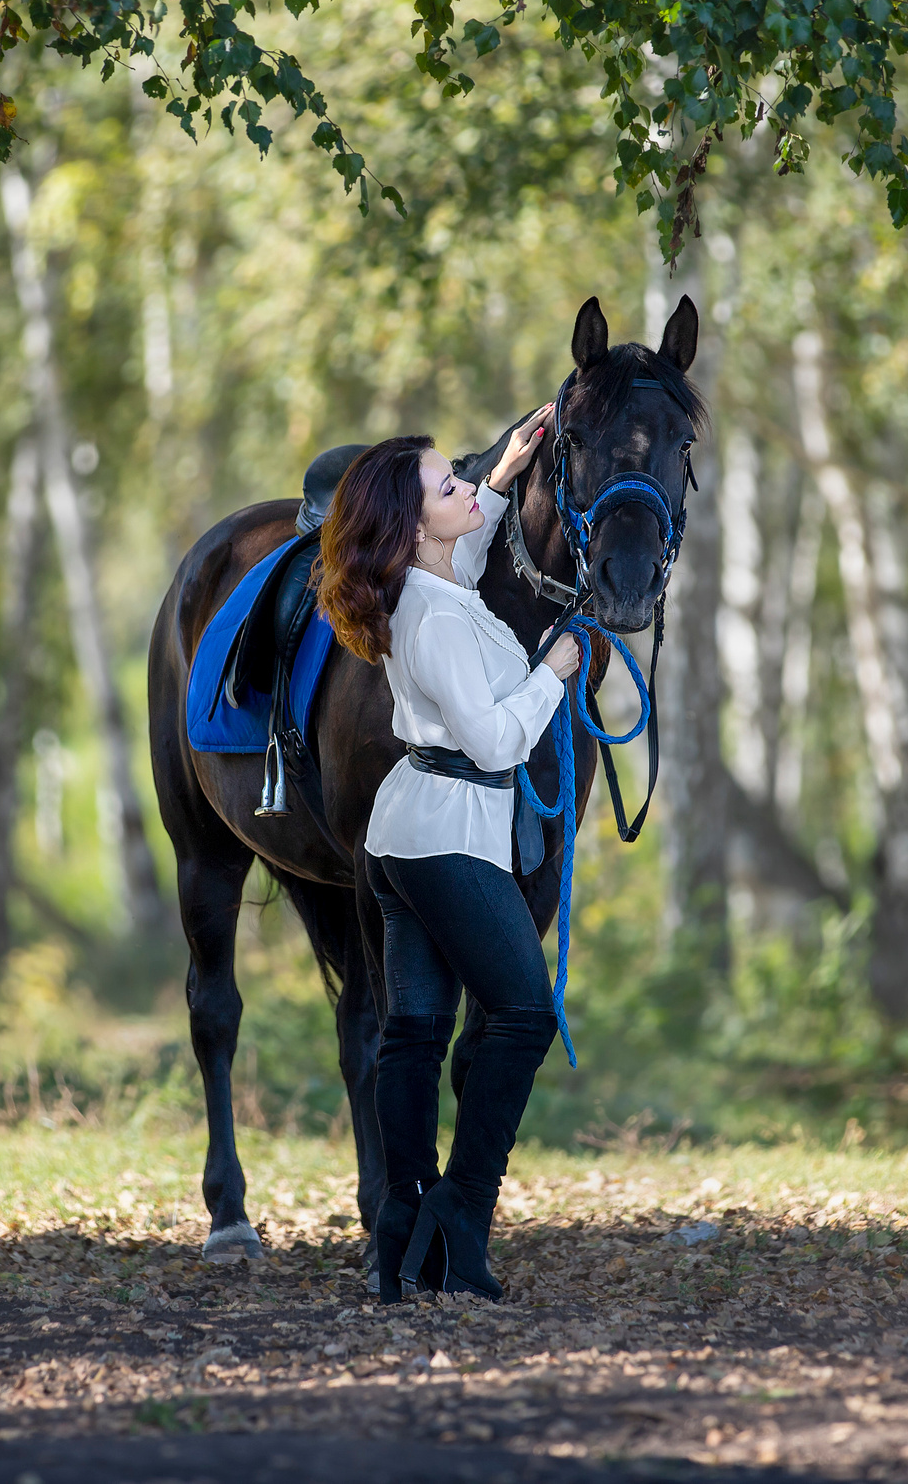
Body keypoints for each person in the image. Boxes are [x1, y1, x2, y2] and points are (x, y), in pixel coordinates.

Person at [315, 413, 577, 1301]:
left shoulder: (427, 586)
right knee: (523, 1014)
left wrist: (501, 479)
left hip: (406, 833)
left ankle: (401, 1223)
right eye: (448, 485)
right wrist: (559, 667)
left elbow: (463, 564)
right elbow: (497, 743)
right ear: (414, 523)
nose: (466, 485)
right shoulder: (436, 623)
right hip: (448, 838)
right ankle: (460, 1212)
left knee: (416, 1032)